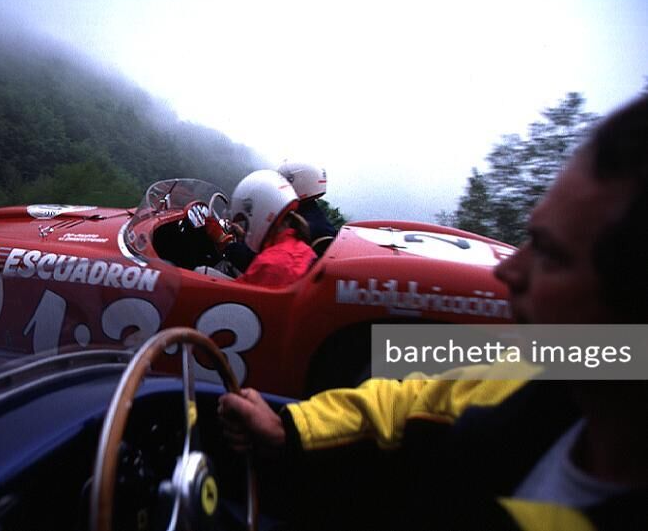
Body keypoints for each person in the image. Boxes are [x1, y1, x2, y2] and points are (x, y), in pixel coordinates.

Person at [218, 94, 648, 530]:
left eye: (552, 255)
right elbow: (413, 399)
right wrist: (290, 428)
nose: (512, 270)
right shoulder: (563, 363)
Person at [224, 162, 336, 272]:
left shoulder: (297, 224)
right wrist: (245, 237)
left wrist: (225, 244)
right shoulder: (313, 217)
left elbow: (262, 263)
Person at [219, 169, 316, 287]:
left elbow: (236, 295)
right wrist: (244, 236)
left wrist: (221, 239)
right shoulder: (297, 244)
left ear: (260, 212)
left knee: (201, 270)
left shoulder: (271, 264)